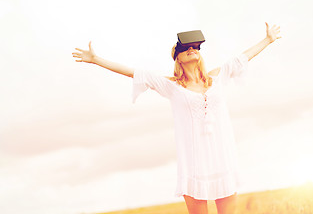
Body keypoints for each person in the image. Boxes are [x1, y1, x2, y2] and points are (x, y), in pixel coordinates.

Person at [72, 22, 281, 214]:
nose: (192, 50)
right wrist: (96, 59)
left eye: (196, 47)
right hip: (194, 162)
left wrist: (268, 40)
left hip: (222, 156)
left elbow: (242, 58)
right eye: (185, 48)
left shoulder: (217, 77)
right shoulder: (172, 86)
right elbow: (134, 72)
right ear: (177, 57)